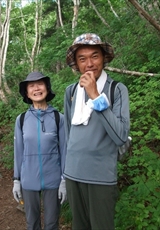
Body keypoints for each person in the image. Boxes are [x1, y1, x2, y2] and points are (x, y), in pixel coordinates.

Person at [63, 33, 130, 229]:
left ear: (103, 58)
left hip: (101, 175)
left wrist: (95, 95)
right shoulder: (71, 91)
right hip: (73, 173)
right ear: (76, 64)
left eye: (95, 56)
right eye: (82, 59)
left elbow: (120, 136)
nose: (89, 63)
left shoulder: (117, 90)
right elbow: (68, 133)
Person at [12, 71, 67, 230]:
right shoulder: (21, 120)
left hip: (53, 179)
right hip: (28, 179)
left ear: (47, 89)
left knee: (51, 224)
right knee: (32, 223)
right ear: (27, 93)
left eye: (40, 84)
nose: (36, 88)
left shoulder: (59, 118)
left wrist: (64, 180)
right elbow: (18, 151)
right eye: (31, 86)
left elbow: (64, 150)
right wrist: (17, 180)